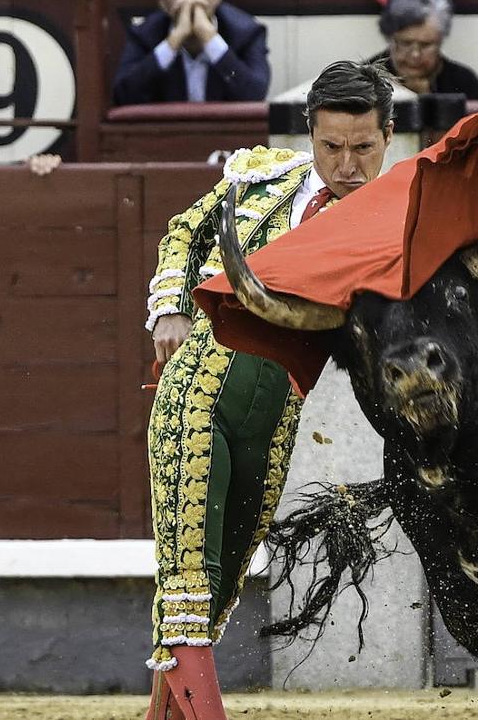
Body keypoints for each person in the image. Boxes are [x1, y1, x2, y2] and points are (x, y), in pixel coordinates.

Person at [141, 60, 394, 720]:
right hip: (196, 395)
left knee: (215, 595)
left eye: (363, 148)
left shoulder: (387, 230)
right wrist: (169, 305)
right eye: (332, 147)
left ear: (387, 138)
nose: (348, 165)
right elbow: (186, 229)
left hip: (274, 424)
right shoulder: (263, 178)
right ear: (310, 135)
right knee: (189, 594)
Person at [112, 0, 269, 106]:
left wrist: (210, 38)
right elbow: (124, 96)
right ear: (163, 1)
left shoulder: (246, 33)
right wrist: (173, 42)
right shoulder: (145, 36)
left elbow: (254, 94)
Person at [369, 0, 478, 100]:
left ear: (440, 41)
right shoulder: (366, 78)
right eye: (406, 43)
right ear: (390, 38)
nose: (415, 54)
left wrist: (426, 98)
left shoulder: (464, 82)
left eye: (426, 45)